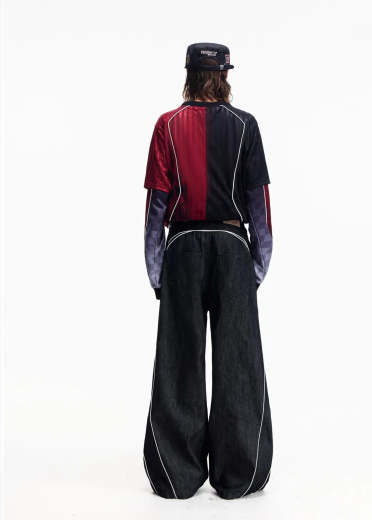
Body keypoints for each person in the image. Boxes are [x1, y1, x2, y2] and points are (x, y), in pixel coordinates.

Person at [142, 42, 274, 500]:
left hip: (181, 246)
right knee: (239, 360)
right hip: (233, 247)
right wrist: (256, 268)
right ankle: (241, 473)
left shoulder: (167, 125)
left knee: (178, 357)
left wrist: (156, 272)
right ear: (225, 76)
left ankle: (175, 475)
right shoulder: (245, 125)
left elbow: (156, 206)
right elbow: (259, 205)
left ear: (188, 75)